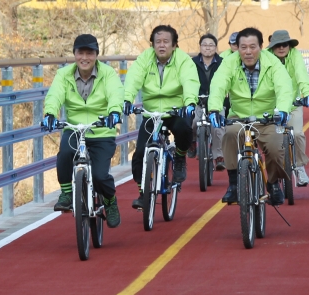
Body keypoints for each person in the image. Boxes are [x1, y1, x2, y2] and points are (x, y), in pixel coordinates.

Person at [43, 34, 123, 228]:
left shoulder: (108, 74)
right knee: (64, 155)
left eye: (90, 53)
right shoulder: (64, 74)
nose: (84, 57)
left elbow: (115, 94)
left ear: (96, 55)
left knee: (100, 176)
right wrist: (50, 113)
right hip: (75, 129)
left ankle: (110, 201)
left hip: (101, 130)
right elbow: (55, 95)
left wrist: (114, 112)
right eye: (81, 53)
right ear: (74, 54)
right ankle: (67, 193)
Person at [208, 27, 294, 205]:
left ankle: (273, 184)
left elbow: (284, 87)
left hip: (268, 118)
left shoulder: (272, 63)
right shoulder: (229, 63)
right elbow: (218, 85)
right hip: (239, 117)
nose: (248, 52)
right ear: (237, 48)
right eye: (243, 47)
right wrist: (215, 109)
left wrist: (283, 110)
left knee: (276, 148)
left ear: (261, 47)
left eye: (253, 47)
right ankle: (233, 184)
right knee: (230, 134)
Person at [123, 25, 200, 209]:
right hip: (153, 112)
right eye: (158, 42)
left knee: (184, 129)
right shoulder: (145, 59)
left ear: (174, 45)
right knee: (140, 153)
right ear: (152, 45)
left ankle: (180, 157)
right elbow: (133, 78)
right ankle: (143, 192)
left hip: (176, 109)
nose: (162, 45)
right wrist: (126, 99)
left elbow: (190, 80)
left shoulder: (183, 60)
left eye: (166, 42)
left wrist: (189, 103)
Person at [267, 29, 309, 186]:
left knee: (298, 134)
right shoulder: (265, 58)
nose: (281, 48)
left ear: (289, 45)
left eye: (285, 44)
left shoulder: (295, 56)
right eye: (277, 45)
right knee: (270, 140)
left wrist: (307, 93)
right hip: (272, 106)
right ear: (272, 47)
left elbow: (302, 75)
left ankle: (300, 168)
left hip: (293, 104)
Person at [188, 33, 226, 171]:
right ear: (200, 47)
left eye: (211, 45)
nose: (208, 48)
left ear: (216, 47)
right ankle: (192, 142)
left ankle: (219, 156)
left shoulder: (222, 63)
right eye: (204, 45)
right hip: (198, 100)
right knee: (192, 121)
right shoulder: (192, 63)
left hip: (216, 100)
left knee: (218, 126)